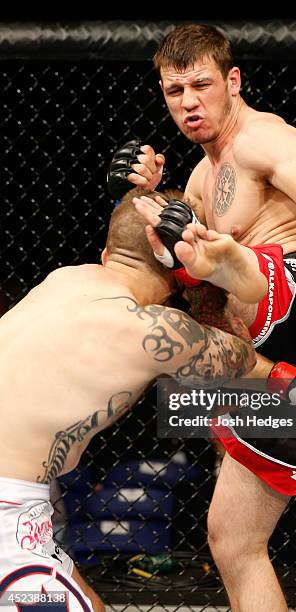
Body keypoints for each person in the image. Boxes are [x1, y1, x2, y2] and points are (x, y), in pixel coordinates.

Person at [106, 24, 296, 611]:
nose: (189, 103)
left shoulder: (263, 138)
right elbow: (171, 262)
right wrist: (150, 198)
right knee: (233, 542)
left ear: (232, 81)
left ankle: (234, 263)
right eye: (174, 92)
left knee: (227, 262)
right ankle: (225, 261)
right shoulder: (203, 178)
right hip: (282, 372)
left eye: (201, 85)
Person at [0, 187, 259, 611]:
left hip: (23, 515)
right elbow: (241, 356)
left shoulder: (63, 279)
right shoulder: (154, 331)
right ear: (176, 267)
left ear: (106, 252)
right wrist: (203, 277)